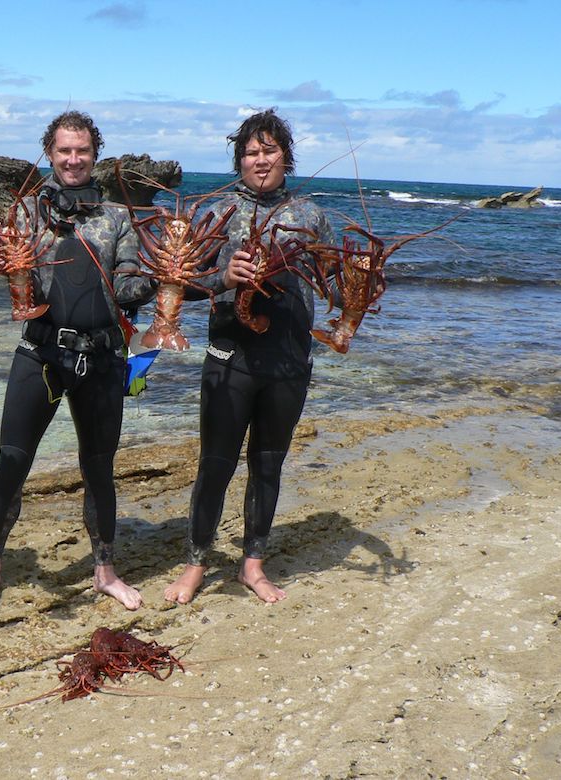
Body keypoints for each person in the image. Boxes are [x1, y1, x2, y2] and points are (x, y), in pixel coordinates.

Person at [0, 111, 156, 612]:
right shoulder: (26, 214)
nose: (73, 160)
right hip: (41, 353)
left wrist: (159, 280)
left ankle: (105, 571)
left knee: (99, 468)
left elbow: (126, 285)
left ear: (95, 154)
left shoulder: (117, 217)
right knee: (12, 463)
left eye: (83, 150)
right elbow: (7, 274)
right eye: (64, 151)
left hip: (103, 357)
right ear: (49, 153)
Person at [164, 109, 337, 605]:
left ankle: (252, 566)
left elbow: (331, 280)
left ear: (286, 157)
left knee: (268, 464)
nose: (260, 160)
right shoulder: (216, 212)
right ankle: (196, 563)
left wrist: (354, 281)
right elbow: (181, 284)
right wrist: (224, 277)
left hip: (288, 359)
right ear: (239, 160)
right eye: (251, 153)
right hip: (229, 356)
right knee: (214, 465)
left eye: (270, 151)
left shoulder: (311, 215)